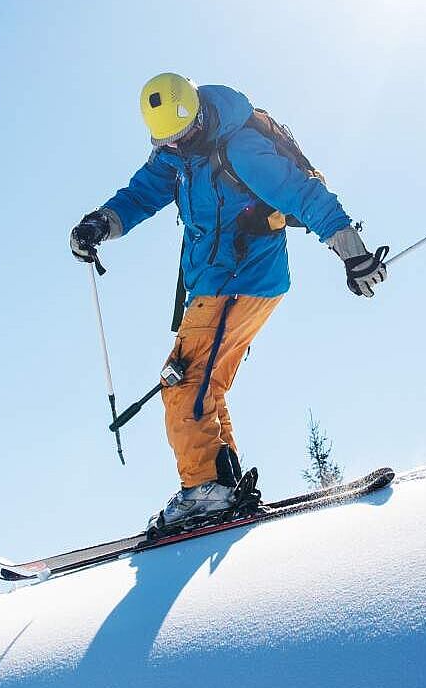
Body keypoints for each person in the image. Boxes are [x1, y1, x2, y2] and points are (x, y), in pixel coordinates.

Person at [68, 73, 387, 534]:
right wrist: (101, 223)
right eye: (166, 141)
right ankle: (223, 481)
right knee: (206, 383)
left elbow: (304, 193)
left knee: (181, 380)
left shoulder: (238, 149)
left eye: (182, 136)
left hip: (239, 280)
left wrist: (353, 253)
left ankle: (205, 489)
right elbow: (140, 195)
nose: (176, 146)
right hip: (222, 284)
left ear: (197, 116)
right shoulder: (176, 157)